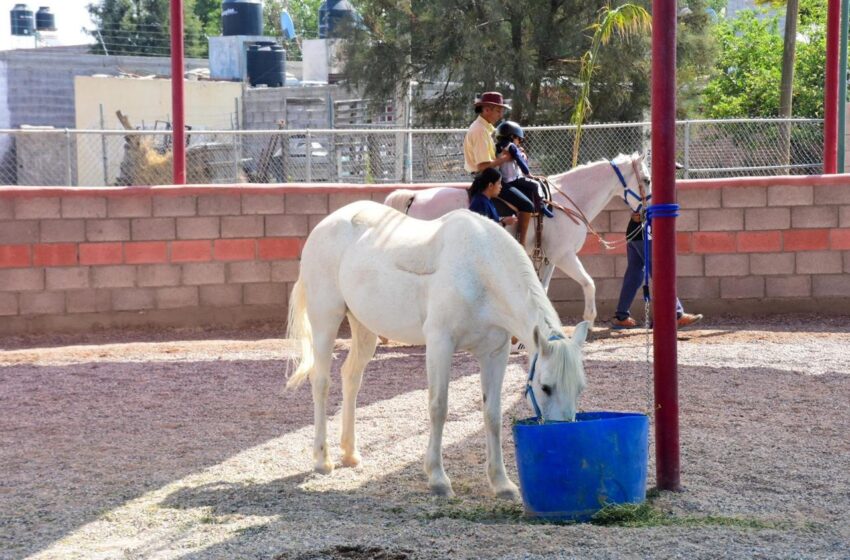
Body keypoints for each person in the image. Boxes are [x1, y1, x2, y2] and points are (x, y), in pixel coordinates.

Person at [463, 92, 535, 245]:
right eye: (498, 110)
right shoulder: (480, 131)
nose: (501, 114)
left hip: (491, 174)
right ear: (486, 109)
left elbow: (490, 158)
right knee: (527, 204)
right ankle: (521, 245)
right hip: (487, 177)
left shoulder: (485, 129)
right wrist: (506, 158)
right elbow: (483, 166)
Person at [612, 212, 704, 329]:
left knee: (634, 275)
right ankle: (676, 314)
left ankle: (621, 316)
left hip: (634, 233)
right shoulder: (650, 193)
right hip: (646, 233)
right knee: (659, 273)